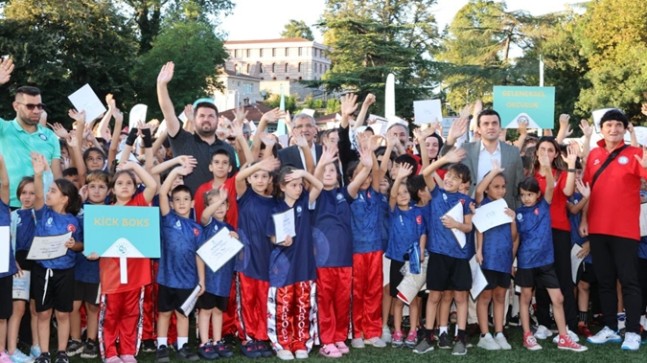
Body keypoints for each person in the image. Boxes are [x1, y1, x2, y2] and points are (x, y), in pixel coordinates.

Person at [581, 109, 647, 351]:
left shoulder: (635, 153)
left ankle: (632, 331)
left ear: (624, 129)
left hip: (625, 230)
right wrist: (584, 219)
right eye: (609, 125)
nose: (613, 129)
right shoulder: (594, 155)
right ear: (602, 128)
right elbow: (588, 189)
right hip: (598, 228)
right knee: (605, 281)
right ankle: (610, 327)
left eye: (618, 125)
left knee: (629, 282)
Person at [515, 166, 586, 352]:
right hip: (526, 262)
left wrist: (546, 166)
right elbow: (515, 239)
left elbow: (550, 188)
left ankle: (563, 336)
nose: (526, 198)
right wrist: (512, 262)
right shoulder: (517, 214)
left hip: (545, 262)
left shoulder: (544, 206)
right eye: (523, 195)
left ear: (538, 194)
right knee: (526, 297)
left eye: (530, 194)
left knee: (558, 297)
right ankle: (527, 335)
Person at [312, 147, 372, 357]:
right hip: (323, 259)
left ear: (338, 175)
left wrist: (368, 164)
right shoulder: (314, 195)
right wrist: (321, 163)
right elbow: (315, 177)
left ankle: (338, 337)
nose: (328, 173)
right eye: (324, 170)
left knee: (341, 300)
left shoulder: (343, 194)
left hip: (344, 258)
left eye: (332, 170)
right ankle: (326, 341)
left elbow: (359, 180)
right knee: (325, 301)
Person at [94, 162, 156, 363]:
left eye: (129, 183)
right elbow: (98, 243)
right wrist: (95, 251)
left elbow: (152, 186)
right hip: (112, 274)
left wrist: (135, 167)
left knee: (131, 313)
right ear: (112, 189)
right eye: (120, 183)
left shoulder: (138, 204)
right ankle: (110, 352)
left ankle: (128, 351)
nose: (125, 186)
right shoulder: (105, 213)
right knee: (111, 313)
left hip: (135, 273)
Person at [414, 149, 473, 356]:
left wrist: (456, 224)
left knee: (461, 297)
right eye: (448, 175)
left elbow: (468, 227)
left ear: (463, 184)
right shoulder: (437, 194)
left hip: (458, 256)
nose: (449, 179)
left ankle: (461, 337)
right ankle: (429, 336)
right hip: (438, 254)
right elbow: (425, 174)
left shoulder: (465, 201)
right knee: (434, 296)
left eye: (455, 178)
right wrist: (445, 160)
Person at [30, 153, 83, 363]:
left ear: (65, 198)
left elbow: (80, 245)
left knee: (63, 314)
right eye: (49, 190)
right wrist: (37, 174)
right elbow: (37, 197)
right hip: (43, 271)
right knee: (43, 313)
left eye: (53, 191)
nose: (48, 193)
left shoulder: (73, 221)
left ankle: (61, 352)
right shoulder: (44, 213)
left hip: (65, 272)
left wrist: (74, 245)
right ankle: (44, 353)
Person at [266, 166, 323, 361]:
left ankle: (301, 342)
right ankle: (282, 344)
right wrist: (280, 240)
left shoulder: (305, 202)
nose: (298, 189)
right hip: (282, 267)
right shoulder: (275, 208)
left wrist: (304, 174)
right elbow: (271, 236)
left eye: (300, 185)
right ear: (282, 187)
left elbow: (319, 185)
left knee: (303, 305)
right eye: (293, 185)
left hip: (304, 265)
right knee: (283, 306)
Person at [156, 61, 237, 193]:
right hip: (187, 210)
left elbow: (233, 182)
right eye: (202, 116)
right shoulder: (182, 140)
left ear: (217, 120)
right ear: (194, 119)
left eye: (211, 116)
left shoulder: (227, 149)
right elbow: (168, 112)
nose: (206, 119)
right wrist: (161, 86)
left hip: (218, 210)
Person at [155, 165, 205, 362]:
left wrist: (202, 281)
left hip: (188, 280)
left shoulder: (197, 229)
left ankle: (183, 345)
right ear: (172, 204)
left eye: (185, 199)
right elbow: (162, 192)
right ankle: (161, 346)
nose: (181, 203)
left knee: (183, 314)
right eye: (177, 200)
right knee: (165, 313)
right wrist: (176, 172)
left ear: (192, 203)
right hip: (167, 278)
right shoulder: (168, 219)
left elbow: (199, 255)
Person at [531, 137, 579, 340]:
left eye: (550, 150)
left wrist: (571, 167)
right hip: (536, 233)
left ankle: (570, 326)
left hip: (559, 230)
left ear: (556, 154)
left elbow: (568, 192)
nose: (546, 153)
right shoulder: (530, 176)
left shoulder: (561, 173)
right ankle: (543, 323)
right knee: (540, 278)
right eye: (542, 149)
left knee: (563, 278)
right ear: (536, 152)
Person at [234, 158, 280, 358]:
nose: (260, 180)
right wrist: (258, 165)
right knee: (247, 298)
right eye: (256, 176)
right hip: (246, 259)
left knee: (264, 299)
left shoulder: (276, 203)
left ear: (270, 180)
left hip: (267, 259)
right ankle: (248, 336)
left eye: (264, 176)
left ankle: (262, 336)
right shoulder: (245, 196)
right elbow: (238, 177)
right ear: (250, 178)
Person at [0, 62, 62, 208]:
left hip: (41, 209)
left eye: (39, 106)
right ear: (16, 106)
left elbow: (57, 177)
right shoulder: (3, 128)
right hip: (6, 207)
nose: (36, 111)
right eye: (30, 106)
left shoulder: (51, 137)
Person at [473, 162, 517, 351]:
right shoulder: (483, 204)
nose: (500, 190)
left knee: (500, 295)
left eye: (503, 187)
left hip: (504, 258)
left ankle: (499, 332)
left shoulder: (506, 207)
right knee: (485, 296)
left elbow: (514, 236)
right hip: (488, 257)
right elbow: (479, 190)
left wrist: (513, 219)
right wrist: (495, 172)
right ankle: (485, 334)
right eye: (495, 186)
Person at [442, 109, 524, 209]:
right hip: (471, 210)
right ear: (479, 129)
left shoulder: (513, 152)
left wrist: (516, 213)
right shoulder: (466, 149)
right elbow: (444, 165)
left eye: (494, 123)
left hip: (503, 211)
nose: (491, 127)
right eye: (486, 123)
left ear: (499, 128)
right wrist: (451, 139)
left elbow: (518, 187)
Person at [385, 163, 426, 349]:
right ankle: (398, 331)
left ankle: (413, 331)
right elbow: (393, 195)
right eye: (399, 192)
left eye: (405, 192)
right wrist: (399, 178)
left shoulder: (417, 212)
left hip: (415, 262)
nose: (402, 195)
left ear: (411, 193)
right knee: (397, 298)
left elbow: (423, 233)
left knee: (414, 298)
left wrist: (422, 254)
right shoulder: (393, 211)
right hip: (397, 259)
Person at [196, 190, 237, 360]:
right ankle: (205, 342)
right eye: (215, 204)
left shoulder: (229, 228)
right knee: (205, 311)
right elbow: (205, 215)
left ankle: (217, 341)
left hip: (223, 279)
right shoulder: (208, 222)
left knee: (218, 311)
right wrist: (220, 198)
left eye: (222, 204)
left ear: (228, 207)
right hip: (209, 278)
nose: (219, 207)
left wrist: (236, 237)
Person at [7, 176, 40, 363]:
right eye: (24, 193)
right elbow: (7, 243)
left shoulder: (42, 215)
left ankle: (36, 345)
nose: (27, 197)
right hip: (19, 264)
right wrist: (13, 262)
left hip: (38, 263)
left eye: (32, 193)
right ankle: (11, 349)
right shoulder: (13, 216)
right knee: (18, 307)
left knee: (36, 308)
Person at [0, 155, 16, 363]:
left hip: (3, 267)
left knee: (2, 313)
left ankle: (1, 350)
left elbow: (5, 182)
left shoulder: (3, 204)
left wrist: (1, 160)